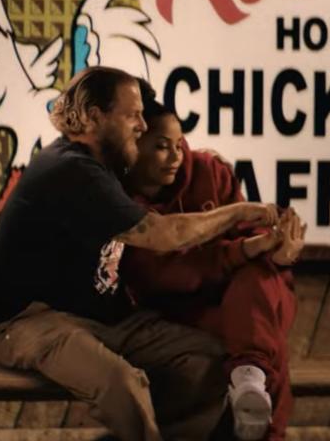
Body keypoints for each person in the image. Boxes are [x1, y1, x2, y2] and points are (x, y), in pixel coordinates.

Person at [0, 66, 281, 441]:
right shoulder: (70, 169)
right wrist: (239, 212)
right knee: (123, 384)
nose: (143, 125)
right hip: (29, 323)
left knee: (208, 360)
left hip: (103, 321)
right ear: (95, 117)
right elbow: (163, 235)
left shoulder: (104, 167)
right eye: (132, 115)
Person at [122, 92, 305, 441]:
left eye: (180, 143)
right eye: (162, 146)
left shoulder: (209, 171)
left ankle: (249, 373)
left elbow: (257, 240)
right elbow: (163, 276)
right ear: (135, 147)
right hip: (183, 311)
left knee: (257, 287)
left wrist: (281, 252)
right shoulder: (120, 201)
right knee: (263, 341)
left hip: (248, 295)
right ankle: (253, 384)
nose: (176, 156)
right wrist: (246, 250)